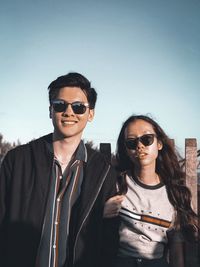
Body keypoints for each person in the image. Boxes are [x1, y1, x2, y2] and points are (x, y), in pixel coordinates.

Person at [0, 72, 119, 267]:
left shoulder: (103, 171)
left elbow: (107, 239)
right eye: (60, 105)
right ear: (50, 110)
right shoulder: (17, 160)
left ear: (91, 114)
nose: (69, 112)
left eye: (79, 107)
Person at [103, 114, 198, 267]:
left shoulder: (174, 194)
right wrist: (103, 213)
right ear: (126, 150)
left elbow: (176, 248)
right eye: (131, 142)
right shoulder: (116, 184)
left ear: (159, 143)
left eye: (147, 139)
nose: (140, 146)